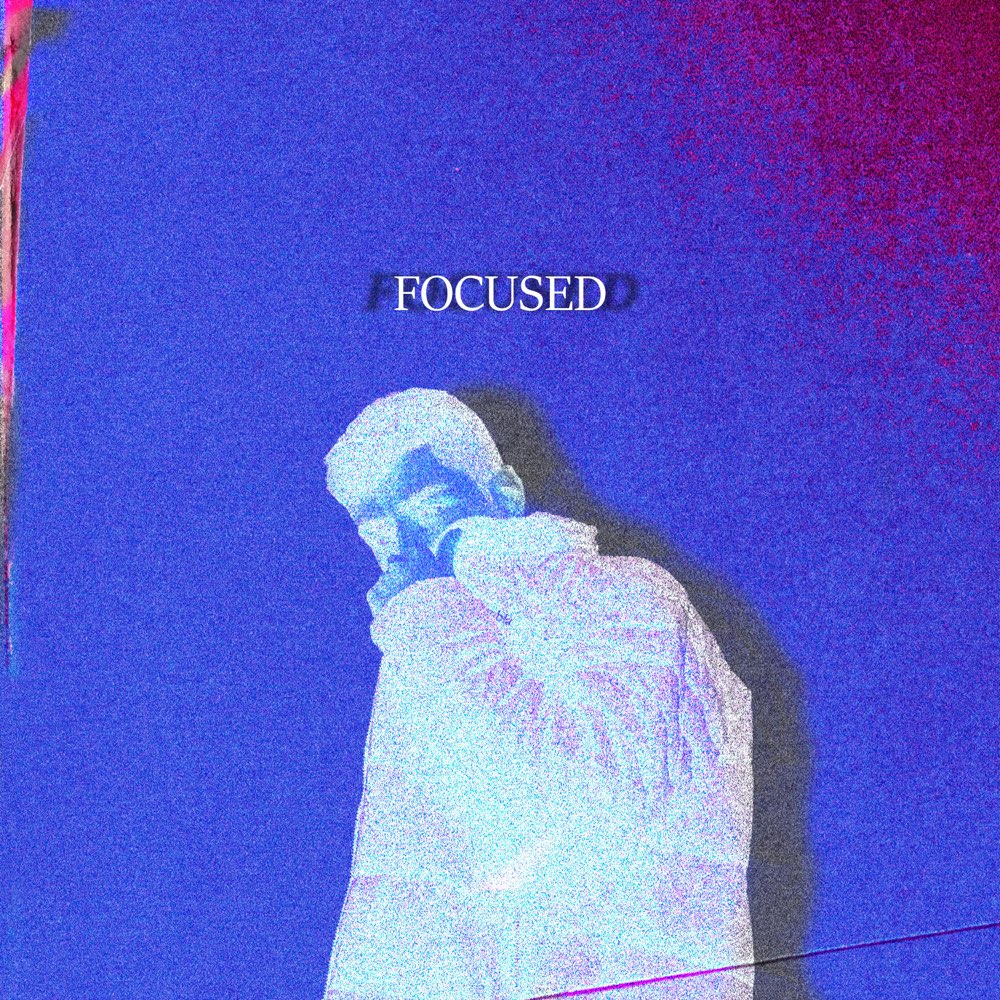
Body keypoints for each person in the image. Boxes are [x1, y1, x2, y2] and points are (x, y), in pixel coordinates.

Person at [322, 389, 754, 1000]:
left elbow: (585, 812)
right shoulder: (426, 648)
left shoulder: (629, 596)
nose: (405, 546)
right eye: (378, 529)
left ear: (504, 493)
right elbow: (397, 902)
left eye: (430, 505)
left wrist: (432, 619)